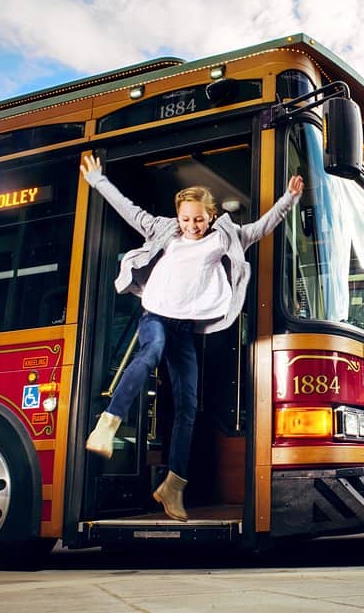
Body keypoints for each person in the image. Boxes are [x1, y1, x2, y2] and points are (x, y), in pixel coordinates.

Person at [81, 152, 303, 521]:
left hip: (186, 328)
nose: (192, 226)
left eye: (198, 219)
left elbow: (263, 227)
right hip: (156, 316)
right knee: (149, 353)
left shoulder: (226, 239)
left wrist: (289, 198)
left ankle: (174, 485)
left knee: (188, 405)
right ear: (178, 217)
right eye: (186, 219)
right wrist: (97, 181)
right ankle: (107, 425)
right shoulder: (163, 230)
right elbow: (127, 208)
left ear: (210, 215)